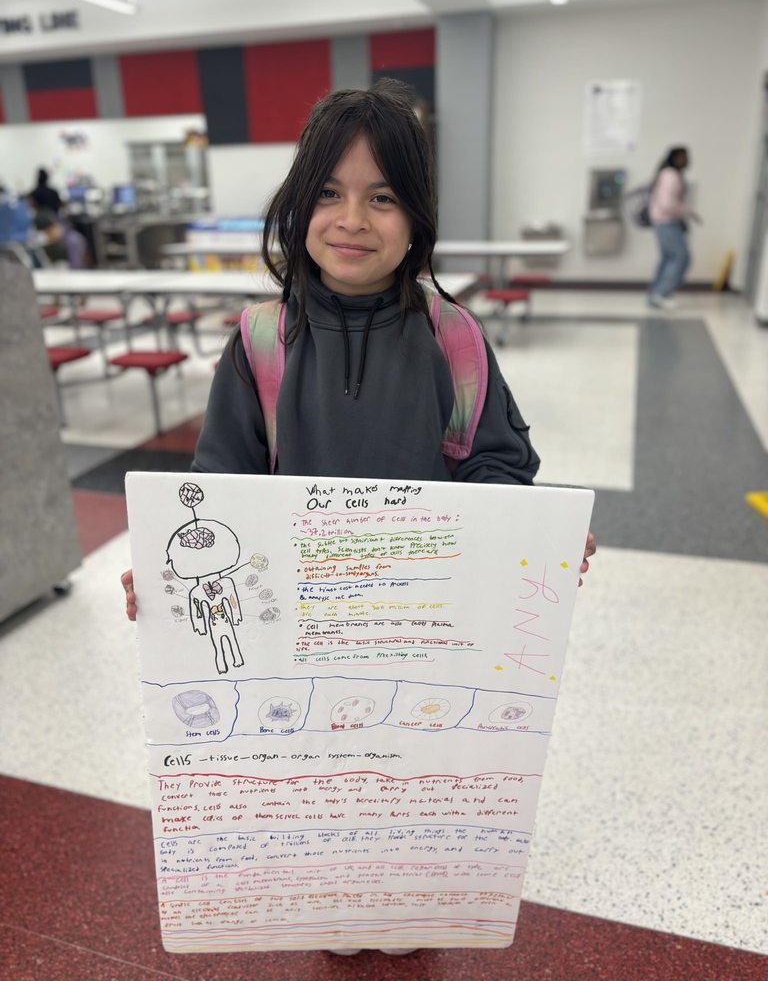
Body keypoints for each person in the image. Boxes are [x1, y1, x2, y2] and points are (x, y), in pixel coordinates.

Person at [120, 79, 596, 954]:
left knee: (407, 806)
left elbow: (496, 466)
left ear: (416, 217)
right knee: (323, 819)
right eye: (330, 193)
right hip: (296, 646)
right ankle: (334, 897)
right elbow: (218, 487)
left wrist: (535, 542)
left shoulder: (453, 338)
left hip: (421, 642)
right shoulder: (260, 342)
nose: (352, 220)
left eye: (382, 198)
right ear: (298, 204)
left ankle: (403, 900)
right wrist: (166, 567)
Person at [646, 146, 701, 310]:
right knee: (681, 257)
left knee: (668, 259)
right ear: (676, 158)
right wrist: (687, 211)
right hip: (666, 221)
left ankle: (656, 293)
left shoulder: (668, 175)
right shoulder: (670, 175)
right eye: (684, 157)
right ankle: (661, 293)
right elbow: (667, 203)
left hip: (665, 221)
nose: (687, 160)